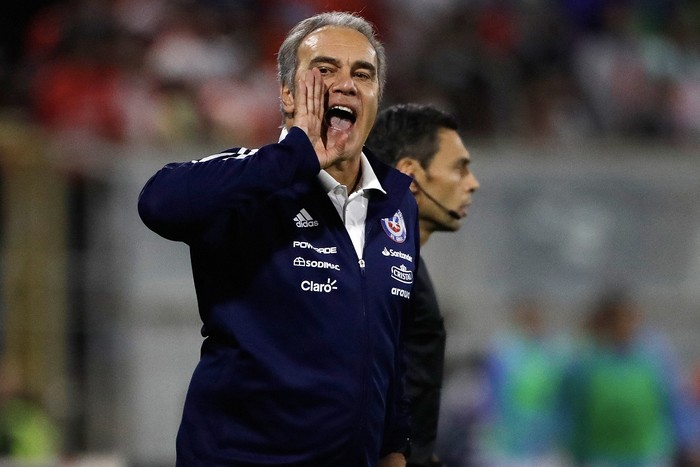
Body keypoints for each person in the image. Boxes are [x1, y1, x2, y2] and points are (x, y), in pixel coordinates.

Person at [138, 11, 419, 467]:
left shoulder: (396, 203)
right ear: (288, 94)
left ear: (376, 96)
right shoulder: (252, 184)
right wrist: (293, 158)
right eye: (325, 70)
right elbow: (158, 203)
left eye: (362, 74)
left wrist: (394, 451)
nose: (346, 84)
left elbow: (389, 351)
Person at [366, 103, 480, 466]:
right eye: (459, 167)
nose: (472, 182)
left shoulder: (408, 263)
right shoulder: (370, 263)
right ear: (411, 175)